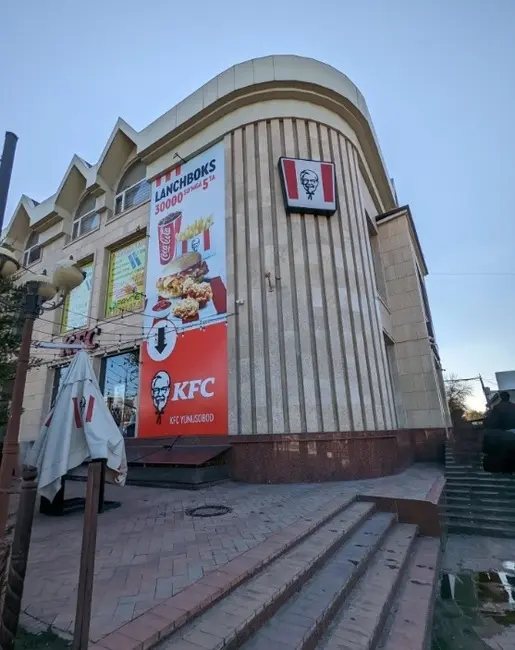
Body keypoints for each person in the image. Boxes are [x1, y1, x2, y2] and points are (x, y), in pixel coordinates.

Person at [483, 392, 515, 473]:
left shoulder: (497, 407)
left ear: (501, 398)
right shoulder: (513, 406)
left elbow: (493, 421)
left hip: (504, 432)